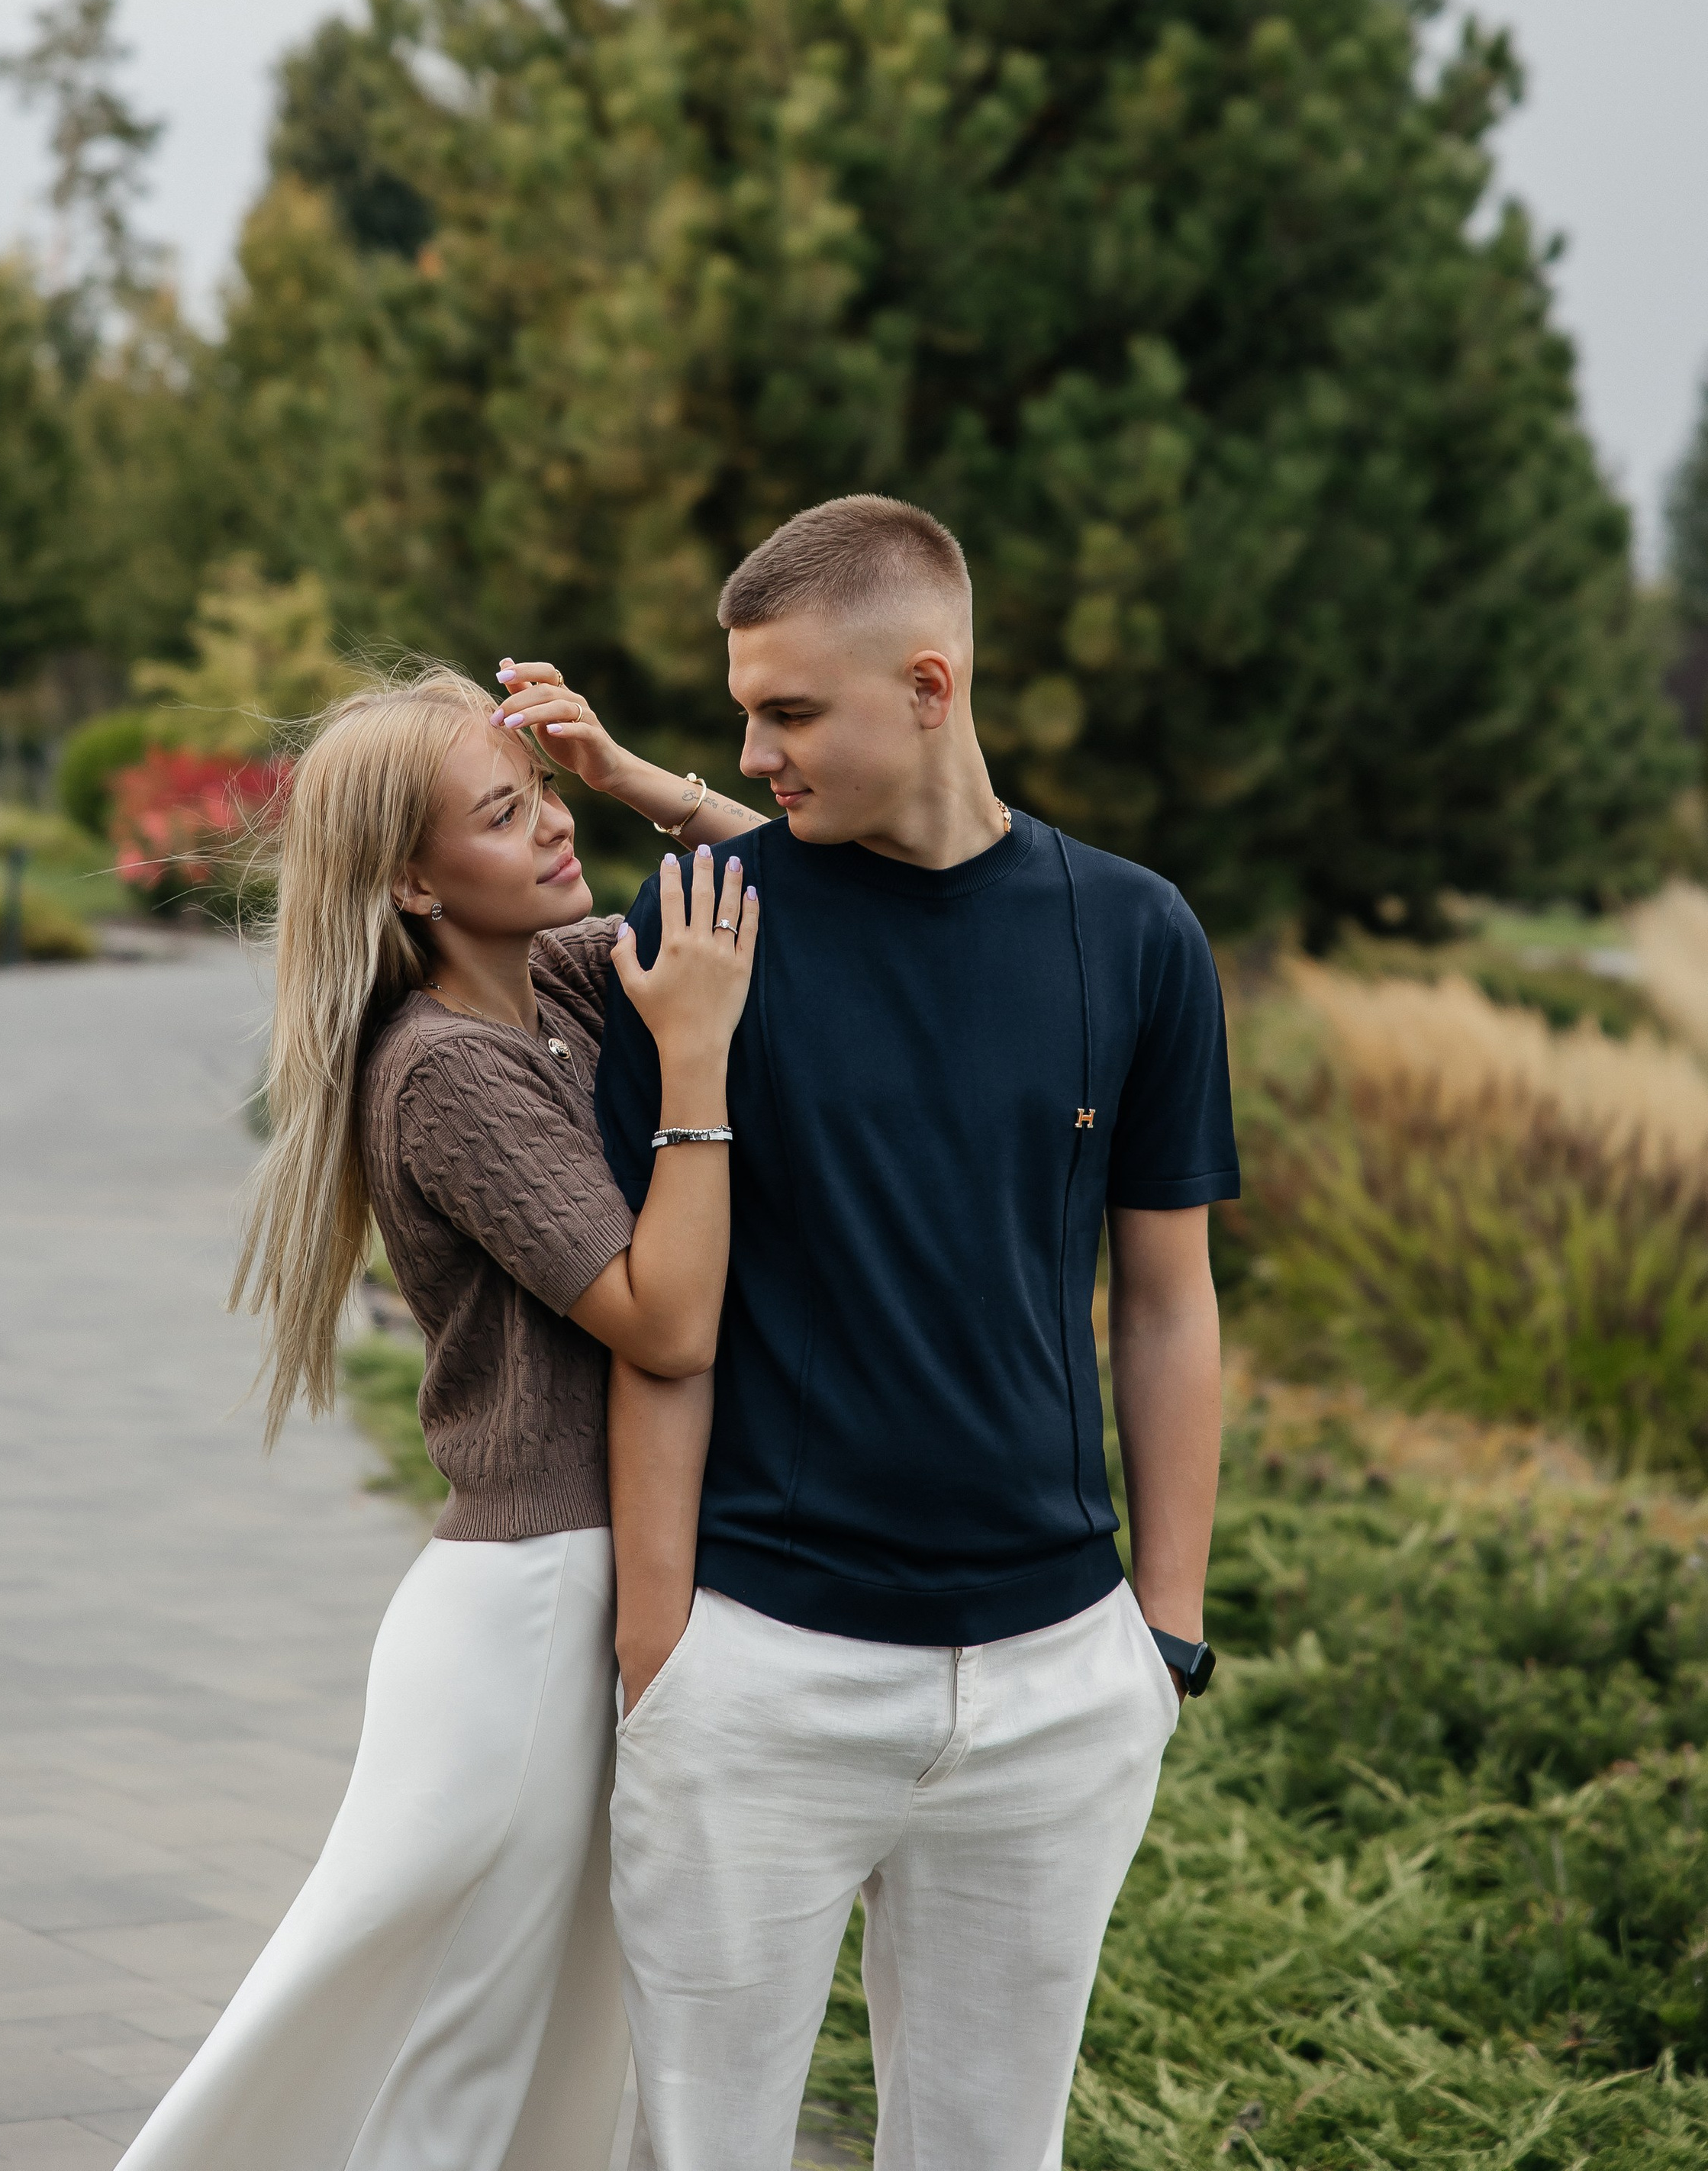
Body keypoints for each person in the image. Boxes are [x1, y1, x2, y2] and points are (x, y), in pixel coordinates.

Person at [500, 493, 1236, 2171]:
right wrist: (662, 1657)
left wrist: (1162, 1634)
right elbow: (661, 1328)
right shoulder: (699, 932)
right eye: (743, 711)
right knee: (701, 2151)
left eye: (787, 712)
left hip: (1058, 1680)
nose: (751, 750)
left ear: (928, 683)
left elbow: (1168, 1296)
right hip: (762, 1663)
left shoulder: (1131, 932)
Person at [115, 662, 757, 2171]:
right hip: (525, 1616)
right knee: (460, 2043)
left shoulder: (564, 976)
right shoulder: (442, 1075)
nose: (548, 830)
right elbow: (664, 1320)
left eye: (540, 796)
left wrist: (637, 782)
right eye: (504, 811)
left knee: (554, 2033)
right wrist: (704, 1066)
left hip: (577, 1590)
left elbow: (820, 890)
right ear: (412, 880)